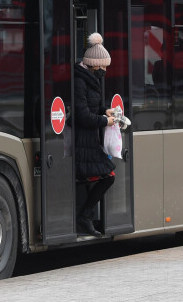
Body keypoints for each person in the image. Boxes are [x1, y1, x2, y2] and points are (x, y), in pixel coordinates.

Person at [74, 32, 116, 237]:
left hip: (89, 141)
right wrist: (104, 121)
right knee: (108, 176)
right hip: (83, 142)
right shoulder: (80, 82)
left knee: (102, 176)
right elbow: (82, 115)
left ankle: (84, 216)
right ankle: (84, 216)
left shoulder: (88, 79)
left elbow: (92, 107)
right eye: (103, 67)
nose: (105, 71)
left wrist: (104, 110)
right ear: (93, 64)